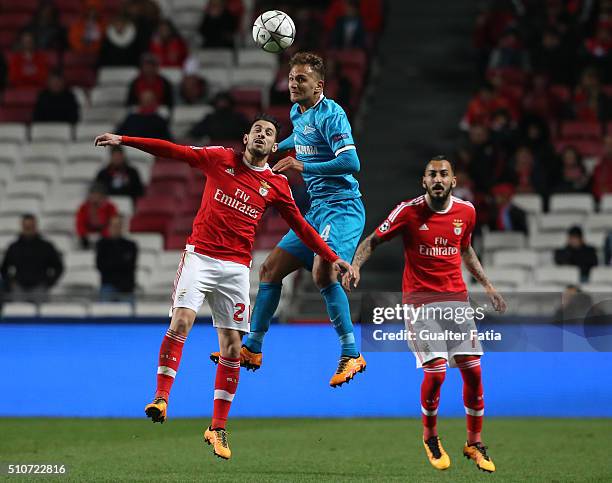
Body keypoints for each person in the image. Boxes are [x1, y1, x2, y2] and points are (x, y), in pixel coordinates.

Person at [94, 115, 353, 460]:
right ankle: (161, 397)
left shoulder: (276, 185)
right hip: (200, 257)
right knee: (182, 321)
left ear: (275, 147)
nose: (262, 134)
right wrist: (124, 139)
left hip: (234, 269)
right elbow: (174, 151)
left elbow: (303, 228)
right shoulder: (219, 158)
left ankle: (217, 428)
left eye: (269, 133)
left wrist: (332, 257)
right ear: (246, 138)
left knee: (232, 349)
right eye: (257, 130)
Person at [212, 52, 367, 387]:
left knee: (322, 272)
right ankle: (252, 347)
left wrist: (302, 166)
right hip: (316, 209)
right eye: (291, 78)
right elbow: (302, 138)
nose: (293, 84)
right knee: (270, 269)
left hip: (342, 208)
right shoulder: (299, 112)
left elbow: (351, 162)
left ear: (319, 85)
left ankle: (351, 352)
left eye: (301, 80)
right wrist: (275, 149)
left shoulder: (333, 115)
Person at [343, 156, 506, 473]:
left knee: (473, 372)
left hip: (457, 303)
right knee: (436, 374)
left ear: (453, 181)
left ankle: (474, 443)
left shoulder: (466, 212)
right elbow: (373, 240)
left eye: (444, 174)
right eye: (432, 175)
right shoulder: (408, 211)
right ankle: (430, 436)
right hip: (420, 305)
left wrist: (487, 285)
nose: (438, 179)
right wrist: (356, 265)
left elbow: (466, 248)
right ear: (424, 181)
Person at [1, 214, 64, 303]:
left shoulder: (46, 247)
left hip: (39, 288)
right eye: (26, 226)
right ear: (22, 226)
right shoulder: (14, 247)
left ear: (35, 226)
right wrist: (10, 283)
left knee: (41, 315)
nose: (28, 229)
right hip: (19, 288)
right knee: (18, 314)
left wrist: (48, 283)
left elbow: (58, 267)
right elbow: (4, 269)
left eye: (31, 226)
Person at [96, 215, 138, 301]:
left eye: (118, 225)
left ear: (122, 227)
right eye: (113, 225)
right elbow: (100, 266)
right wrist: (121, 261)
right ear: (109, 227)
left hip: (126, 288)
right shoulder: (102, 245)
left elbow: (130, 266)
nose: (116, 228)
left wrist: (112, 262)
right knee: (104, 310)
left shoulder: (131, 245)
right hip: (108, 285)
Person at [75, 184, 119, 249]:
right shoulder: (83, 207)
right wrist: (85, 235)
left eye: (99, 194)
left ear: (104, 196)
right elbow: (79, 224)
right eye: (93, 194)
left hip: (106, 237)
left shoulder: (111, 207)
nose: (96, 197)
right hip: (87, 237)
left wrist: (103, 236)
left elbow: (113, 224)